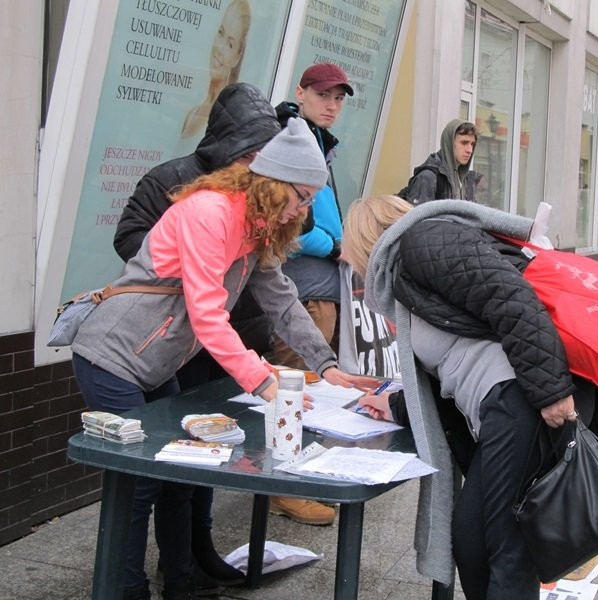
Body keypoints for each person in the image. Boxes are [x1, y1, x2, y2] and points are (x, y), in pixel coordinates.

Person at [73, 118, 374, 600]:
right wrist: (265, 382)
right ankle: (124, 590)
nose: (305, 208)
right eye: (301, 195)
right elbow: (208, 315)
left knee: (179, 475)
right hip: (111, 354)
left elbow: (283, 300)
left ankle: (183, 581)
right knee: (137, 484)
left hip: (157, 362)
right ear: (273, 184)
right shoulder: (210, 213)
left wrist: (327, 366)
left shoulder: (257, 226)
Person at [341, 196, 593, 599]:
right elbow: (448, 371)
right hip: (510, 401)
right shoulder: (407, 270)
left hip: (522, 398)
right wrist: (394, 405)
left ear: (363, 240)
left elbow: (512, 299)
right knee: (476, 538)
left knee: (499, 547)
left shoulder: (422, 242)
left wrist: (551, 391)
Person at [114, 82, 283, 594]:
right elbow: (128, 238)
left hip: (238, 337)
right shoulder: (170, 179)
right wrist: (198, 258)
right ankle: (173, 564)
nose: (259, 159)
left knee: (217, 453)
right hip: (180, 338)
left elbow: (282, 251)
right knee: (174, 458)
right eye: (253, 150)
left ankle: (199, 549)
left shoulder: (266, 184)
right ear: (227, 140)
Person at [265, 63, 354, 526]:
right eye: (324, 95)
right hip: (301, 292)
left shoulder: (319, 141)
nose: (332, 105)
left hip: (322, 287)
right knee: (294, 389)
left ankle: (299, 477)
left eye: (339, 98)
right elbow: (291, 224)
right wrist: (335, 245)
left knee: (311, 393)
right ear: (300, 92)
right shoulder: (292, 138)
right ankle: (284, 489)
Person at [181, 0, 251, 139]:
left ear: (237, 57)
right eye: (220, 32)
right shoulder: (193, 112)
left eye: (230, 44)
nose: (220, 48)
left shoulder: (227, 122)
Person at [399, 119, 482, 204]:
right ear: (449, 143)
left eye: (472, 144)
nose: (470, 150)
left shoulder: (466, 180)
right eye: (464, 143)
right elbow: (419, 215)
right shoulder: (428, 178)